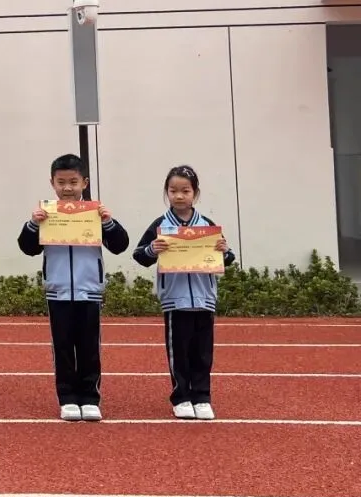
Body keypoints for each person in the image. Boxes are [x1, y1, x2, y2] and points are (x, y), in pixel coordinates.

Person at [17, 153, 130, 423]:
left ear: (84, 183)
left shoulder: (95, 214)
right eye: (61, 182)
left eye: (73, 182)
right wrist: (33, 224)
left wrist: (108, 222)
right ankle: (67, 398)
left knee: (90, 348)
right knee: (63, 347)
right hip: (58, 292)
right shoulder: (46, 215)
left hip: (89, 290)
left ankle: (90, 398)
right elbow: (27, 247)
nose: (67, 188)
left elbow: (120, 245)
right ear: (52, 183)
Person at [132, 164, 234, 421]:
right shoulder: (161, 225)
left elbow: (227, 258)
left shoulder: (207, 226)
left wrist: (224, 250)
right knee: (179, 352)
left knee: (202, 353)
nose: (179, 196)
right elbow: (139, 255)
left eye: (185, 191)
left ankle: (202, 397)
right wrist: (153, 249)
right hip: (175, 301)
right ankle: (181, 397)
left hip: (204, 299)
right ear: (166, 192)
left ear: (195, 193)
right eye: (173, 190)